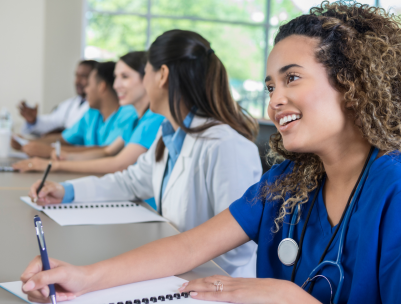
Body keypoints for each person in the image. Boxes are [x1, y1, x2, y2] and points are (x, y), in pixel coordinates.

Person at [21, 3, 401, 304]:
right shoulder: (293, 180)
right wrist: (84, 277)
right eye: (270, 85)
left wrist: (286, 297)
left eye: (292, 78)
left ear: (352, 86)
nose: (275, 100)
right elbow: (188, 248)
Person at [22, 30, 261, 277]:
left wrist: (165, 261)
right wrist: (67, 191)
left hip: (216, 285)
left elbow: (237, 249)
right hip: (175, 273)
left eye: (144, 72)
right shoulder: (168, 133)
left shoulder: (224, 145)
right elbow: (131, 181)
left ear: (162, 76)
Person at [12, 52, 165, 174]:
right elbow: (108, 150)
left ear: (147, 77)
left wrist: (53, 163)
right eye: (116, 77)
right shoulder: (137, 119)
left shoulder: (151, 118)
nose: (116, 85)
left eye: (124, 77)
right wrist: (60, 156)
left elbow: (118, 163)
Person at [13, 62, 138, 159]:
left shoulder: (129, 114)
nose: (85, 90)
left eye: (88, 84)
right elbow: (64, 138)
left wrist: (52, 151)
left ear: (102, 86)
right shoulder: (92, 114)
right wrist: (28, 143)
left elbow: (109, 151)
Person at [18, 60, 97, 137]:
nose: (77, 81)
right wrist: (33, 120)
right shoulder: (70, 104)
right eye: (76, 75)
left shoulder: (98, 107)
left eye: (83, 76)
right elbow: (51, 122)